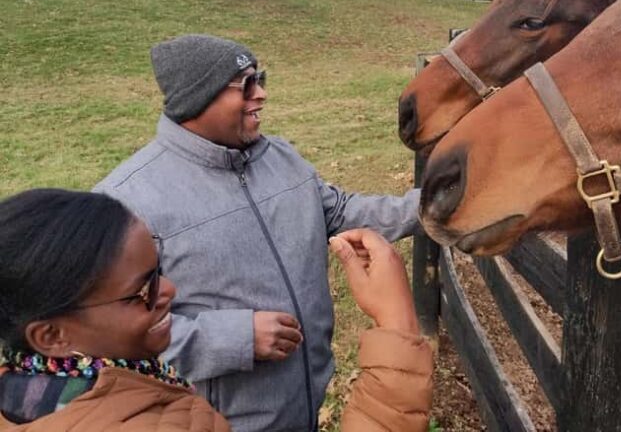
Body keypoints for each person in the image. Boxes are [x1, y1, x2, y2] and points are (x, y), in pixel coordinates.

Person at [93, 34, 422, 432]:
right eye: (246, 85)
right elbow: (103, 333)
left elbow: (339, 210)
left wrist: (439, 201)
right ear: (196, 100)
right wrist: (233, 338)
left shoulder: (279, 156)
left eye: (259, 78)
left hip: (305, 403)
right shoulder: (128, 199)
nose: (261, 94)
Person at [0, 188, 433, 431]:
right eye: (141, 291)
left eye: (159, 272)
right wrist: (395, 323)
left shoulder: (38, 391)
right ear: (53, 336)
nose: (168, 289)